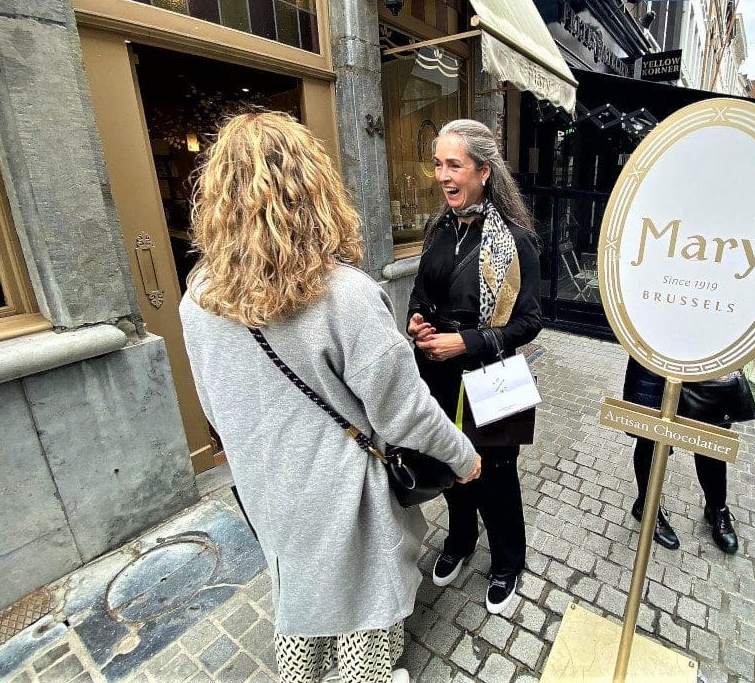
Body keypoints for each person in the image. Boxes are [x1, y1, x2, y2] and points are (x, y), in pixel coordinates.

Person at [179, 112, 481, 683]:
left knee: (297, 600)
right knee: (364, 619)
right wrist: (463, 457)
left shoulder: (197, 301)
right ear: (314, 190)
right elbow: (404, 409)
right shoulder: (344, 296)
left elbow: (215, 411)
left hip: (268, 493)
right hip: (346, 497)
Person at [407, 118, 542, 615]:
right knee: (450, 464)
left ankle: (507, 562)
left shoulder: (516, 240)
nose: (443, 176)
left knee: (496, 476)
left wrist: (463, 342)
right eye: (438, 164)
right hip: (438, 376)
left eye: (454, 165)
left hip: (492, 375)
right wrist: (416, 324)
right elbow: (420, 293)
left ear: (483, 170)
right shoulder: (437, 229)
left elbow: (529, 322)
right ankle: (461, 541)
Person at [624, 359, 743, 554]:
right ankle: (646, 507)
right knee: (651, 435)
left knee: (710, 438)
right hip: (656, 356)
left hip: (707, 355)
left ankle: (717, 508)